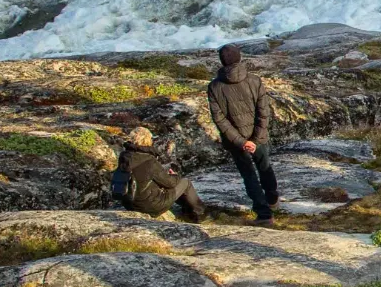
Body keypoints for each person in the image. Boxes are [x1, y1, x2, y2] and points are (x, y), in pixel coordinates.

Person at [208, 43, 278, 221]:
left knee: (249, 175)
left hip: (236, 143)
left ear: (222, 61)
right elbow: (264, 112)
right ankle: (272, 199)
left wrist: (241, 142)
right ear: (240, 58)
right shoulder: (254, 80)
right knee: (265, 167)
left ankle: (264, 214)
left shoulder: (214, 87)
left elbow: (220, 120)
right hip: (259, 138)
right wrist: (256, 138)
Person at [112, 127, 205, 222]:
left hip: (129, 204)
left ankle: (186, 210)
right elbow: (170, 183)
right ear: (148, 141)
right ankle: (199, 214)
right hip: (150, 207)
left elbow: (141, 176)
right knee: (185, 183)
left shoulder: (124, 157)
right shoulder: (149, 160)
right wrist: (175, 175)